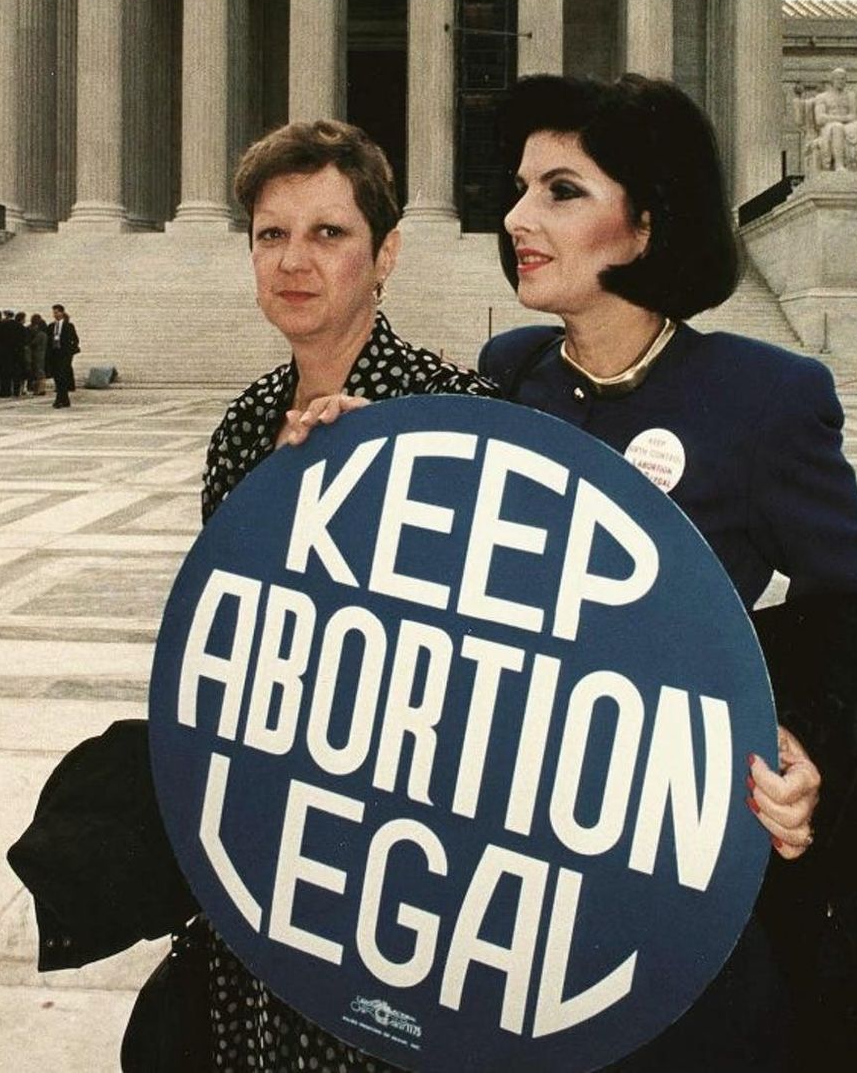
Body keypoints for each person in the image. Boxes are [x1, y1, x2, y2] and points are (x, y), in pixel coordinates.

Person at [478, 72, 857, 1070]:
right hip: (503, 854)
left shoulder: (763, 397)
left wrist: (804, 736)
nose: (514, 217)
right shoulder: (504, 375)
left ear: (644, 224)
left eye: (560, 191)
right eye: (520, 186)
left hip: (663, 862)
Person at [200, 117, 496, 1070]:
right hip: (266, 870)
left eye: (328, 234)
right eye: (271, 235)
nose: (294, 261)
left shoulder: (460, 421)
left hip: (401, 888)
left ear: (386, 253)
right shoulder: (245, 427)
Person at [46, 304, 80, 409]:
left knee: (62, 376)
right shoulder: (51, 326)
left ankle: (59, 400)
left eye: (56, 312)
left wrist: (70, 351)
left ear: (62, 313)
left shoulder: (69, 326)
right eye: (54, 312)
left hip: (64, 355)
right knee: (57, 377)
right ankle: (65, 400)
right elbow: (48, 341)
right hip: (54, 354)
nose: (55, 314)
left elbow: (75, 340)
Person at [27, 313, 48, 395]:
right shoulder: (44, 334)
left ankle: (40, 389)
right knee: (40, 371)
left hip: (38, 354)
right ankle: (40, 388)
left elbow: (33, 343)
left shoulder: (40, 335)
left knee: (39, 371)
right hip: (42, 353)